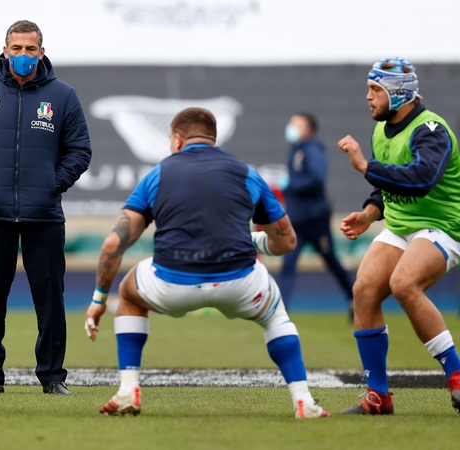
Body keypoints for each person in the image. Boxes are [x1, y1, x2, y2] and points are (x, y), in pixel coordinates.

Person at [84, 107, 330, 419]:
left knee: (130, 292)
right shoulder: (246, 173)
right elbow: (287, 242)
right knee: (276, 314)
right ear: (212, 139)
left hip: (172, 285)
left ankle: (128, 390)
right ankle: (303, 401)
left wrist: (99, 300)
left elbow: (112, 244)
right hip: (239, 284)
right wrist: (257, 241)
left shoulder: (159, 174)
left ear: (177, 139)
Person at [0, 20, 91, 395]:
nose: (24, 56)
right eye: (17, 48)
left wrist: (53, 184)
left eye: (31, 49)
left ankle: (52, 378)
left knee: (50, 301)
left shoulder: (63, 96)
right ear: (5, 50)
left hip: (43, 215)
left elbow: (80, 151)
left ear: (41, 52)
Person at [337, 57, 460, 415]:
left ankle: (455, 374)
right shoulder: (380, 129)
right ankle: (378, 395)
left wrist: (365, 166)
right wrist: (369, 214)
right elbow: (386, 184)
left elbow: (421, 179)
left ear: (398, 93)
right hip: (401, 226)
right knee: (363, 291)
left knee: (404, 283)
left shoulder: (431, 129)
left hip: (442, 227)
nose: (368, 97)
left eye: (375, 89)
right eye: (369, 88)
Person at [276, 113, 354, 318]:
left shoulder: (312, 150)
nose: (291, 127)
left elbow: (317, 178)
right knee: (288, 265)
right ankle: (281, 312)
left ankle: (355, 298)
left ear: (308, 129)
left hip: (315, 220)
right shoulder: (296, 149)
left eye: (296, 124)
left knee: (331, 261)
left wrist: (291, 185)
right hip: (297, 221)